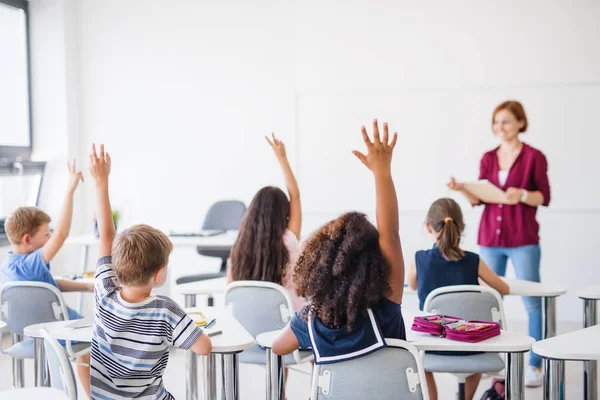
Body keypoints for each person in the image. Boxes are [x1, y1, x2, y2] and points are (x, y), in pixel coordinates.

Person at [448, 100, 551, 387]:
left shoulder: (534, 157)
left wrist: (522, 195)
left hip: (522, 237)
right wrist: (464, 189)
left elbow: (544, 196)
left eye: (505, 121)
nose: (500, 128)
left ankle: (535, 364)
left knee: (532, 302)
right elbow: (479, 199)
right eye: (496, 122)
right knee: (491, 300)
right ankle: (495, 360)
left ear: (520, 122)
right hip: (491, 238)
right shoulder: (488, 157)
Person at [407, 197, 509, 400]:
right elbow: (502, 288)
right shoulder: (473, 261)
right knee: (479, 335)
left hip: (432, 349)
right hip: (470, 347)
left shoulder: (420, 260)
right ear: (461, 227)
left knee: (416, 352)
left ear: (428, 227)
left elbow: (412, 285)